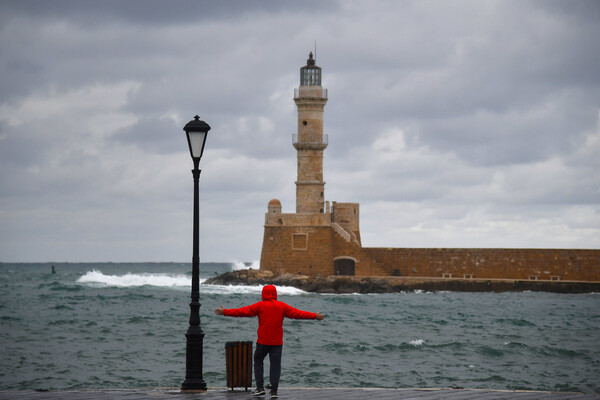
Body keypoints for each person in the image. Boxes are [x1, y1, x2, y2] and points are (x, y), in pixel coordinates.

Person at [214, 284, 324, 398]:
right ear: (275, 294)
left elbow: (243, 311)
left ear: (263, 294)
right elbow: (297, 314)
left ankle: (260, 388)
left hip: (262, 342)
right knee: (275, 366)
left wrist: (225, 312)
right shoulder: (282, 306)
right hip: (277, 343)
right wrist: (315, 316)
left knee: (258, 360)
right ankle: (274, 391)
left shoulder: (260, 306)